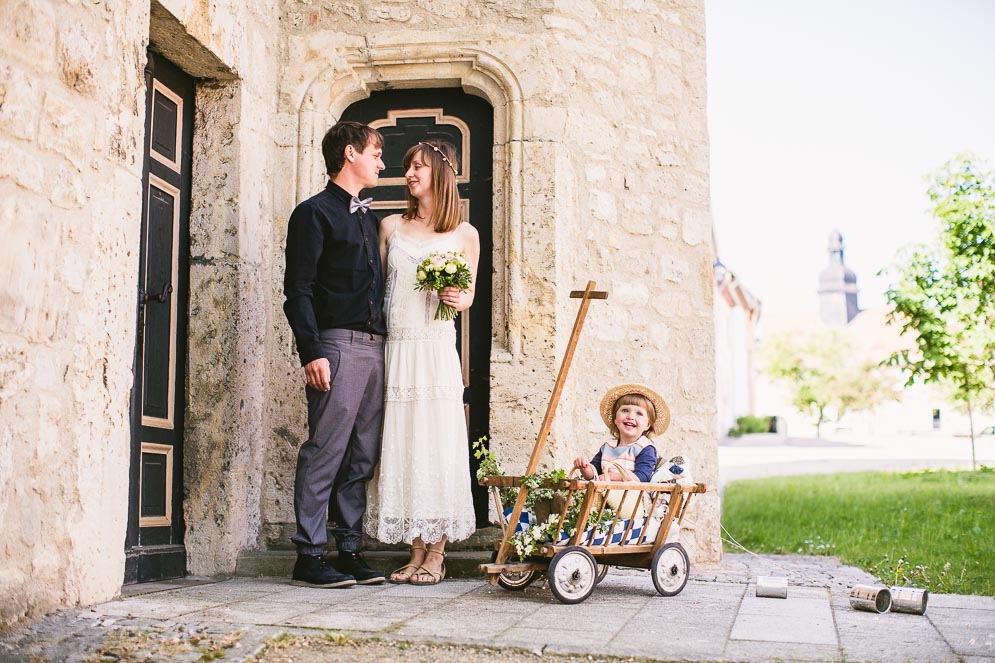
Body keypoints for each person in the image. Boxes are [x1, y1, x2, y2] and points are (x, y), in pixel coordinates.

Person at [364, 140, 479, 585]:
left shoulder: (464, 234)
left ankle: (437, 551)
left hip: (434, 348)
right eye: (408, 166)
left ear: (441, 173)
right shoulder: (390, 226)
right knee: (403, 443)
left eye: (417, 167)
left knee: (437, 443)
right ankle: (413, 548)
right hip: (397, 348)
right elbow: (377, 288)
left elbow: (468, 292)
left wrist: (458, 296)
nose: (409, 173)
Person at [283, 120, 387, 588]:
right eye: (376, 153)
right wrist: (312, 350)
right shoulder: (313, 213)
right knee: (325, 449)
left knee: (362, 454)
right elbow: (298, 289)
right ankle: (309, 554)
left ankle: (348, 550)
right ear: (350, 153)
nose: (381, 163)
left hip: (375, 347)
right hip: (336, 346)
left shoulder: (368, 218)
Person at [572, 384, 669, 483]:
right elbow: (594, 475)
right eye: (625, 410)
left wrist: (612, 476)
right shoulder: (608, 447)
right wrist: (584, 467)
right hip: (604, 494)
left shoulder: (645, 448)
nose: (630, 416)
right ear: (615, 419)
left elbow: (642, 476)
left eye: (639, 413)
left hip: (632, 496)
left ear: (648, 425)